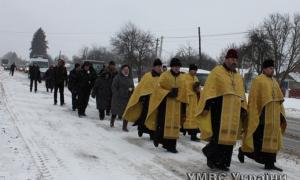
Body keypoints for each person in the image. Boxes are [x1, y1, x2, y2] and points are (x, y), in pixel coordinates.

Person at [195, 49, 247, 171]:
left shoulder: (238, 76)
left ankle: (223, 162)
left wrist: (243, 109)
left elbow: (241, 94)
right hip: (219, 109)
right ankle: (210, 156)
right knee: (218, 136)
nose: (234, 61)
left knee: (230, 138)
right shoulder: (217, 72)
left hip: (233, 111)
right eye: (232, 59)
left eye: (236, 59)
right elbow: (209, 90)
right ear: (226, 59)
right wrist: (206, 107)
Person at [238, 59, 287, 172]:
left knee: (272, 142)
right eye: (270, 68)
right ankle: (243, 151)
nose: (272, 70)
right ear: (264, 69)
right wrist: (256, 115)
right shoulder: (258, 80)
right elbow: (254, 100)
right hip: (263, 118)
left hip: (274, 118)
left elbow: (279, 100)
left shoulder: (274, 81)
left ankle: (270, 164)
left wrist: (281, 114)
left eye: (273, 68)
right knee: (258, 146)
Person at [145, 58, 186, 153]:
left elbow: (184, 91)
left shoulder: (182, 78)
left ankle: (172, 146)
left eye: (178, 66)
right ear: (171, 66)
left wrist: (183, 107)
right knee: (163, 124)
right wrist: (168, 93)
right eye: (175, 66)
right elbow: (158, 88)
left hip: (177, 105)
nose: (177, 68)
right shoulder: (164, 75)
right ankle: (160, 140)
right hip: (165, 104)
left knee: (175, 125)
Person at [123, 59, 162, 139]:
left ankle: (152, 133)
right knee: (144, 116)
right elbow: (141, 87)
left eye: (160, 66)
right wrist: (143, 96)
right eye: (158, 66)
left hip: (157, 101)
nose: (159, 68)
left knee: (154, 118)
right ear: (154, 67)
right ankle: (141, 129)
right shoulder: (148, 76)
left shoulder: (162, 77)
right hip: (147, 100)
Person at [110, 64, 134, 131]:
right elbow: (113, 87)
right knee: (115, 111)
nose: (126, 71)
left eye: (127, 70)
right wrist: (116, 93)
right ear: (122, 70)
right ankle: (112, 122)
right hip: (118, 98)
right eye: (125, 70)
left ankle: (124, 127)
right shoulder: (117, 77)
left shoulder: (130, 78)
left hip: (126, 98)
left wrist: (132, 90)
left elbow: (132, 87)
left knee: (126, 113)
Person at [181, 64, 201, 141]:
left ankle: (193, 134)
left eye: (196, 70)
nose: (195, 71)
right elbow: (183, 88)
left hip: (195, 100)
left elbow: (198, 89)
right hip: (187, 100)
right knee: (187, 116)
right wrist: (192, 89)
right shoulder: (185, 77)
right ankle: (186, 129)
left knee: (194, 117)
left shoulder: (196, 78)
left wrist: (198, 90)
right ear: (190, 70)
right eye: (193, 70)